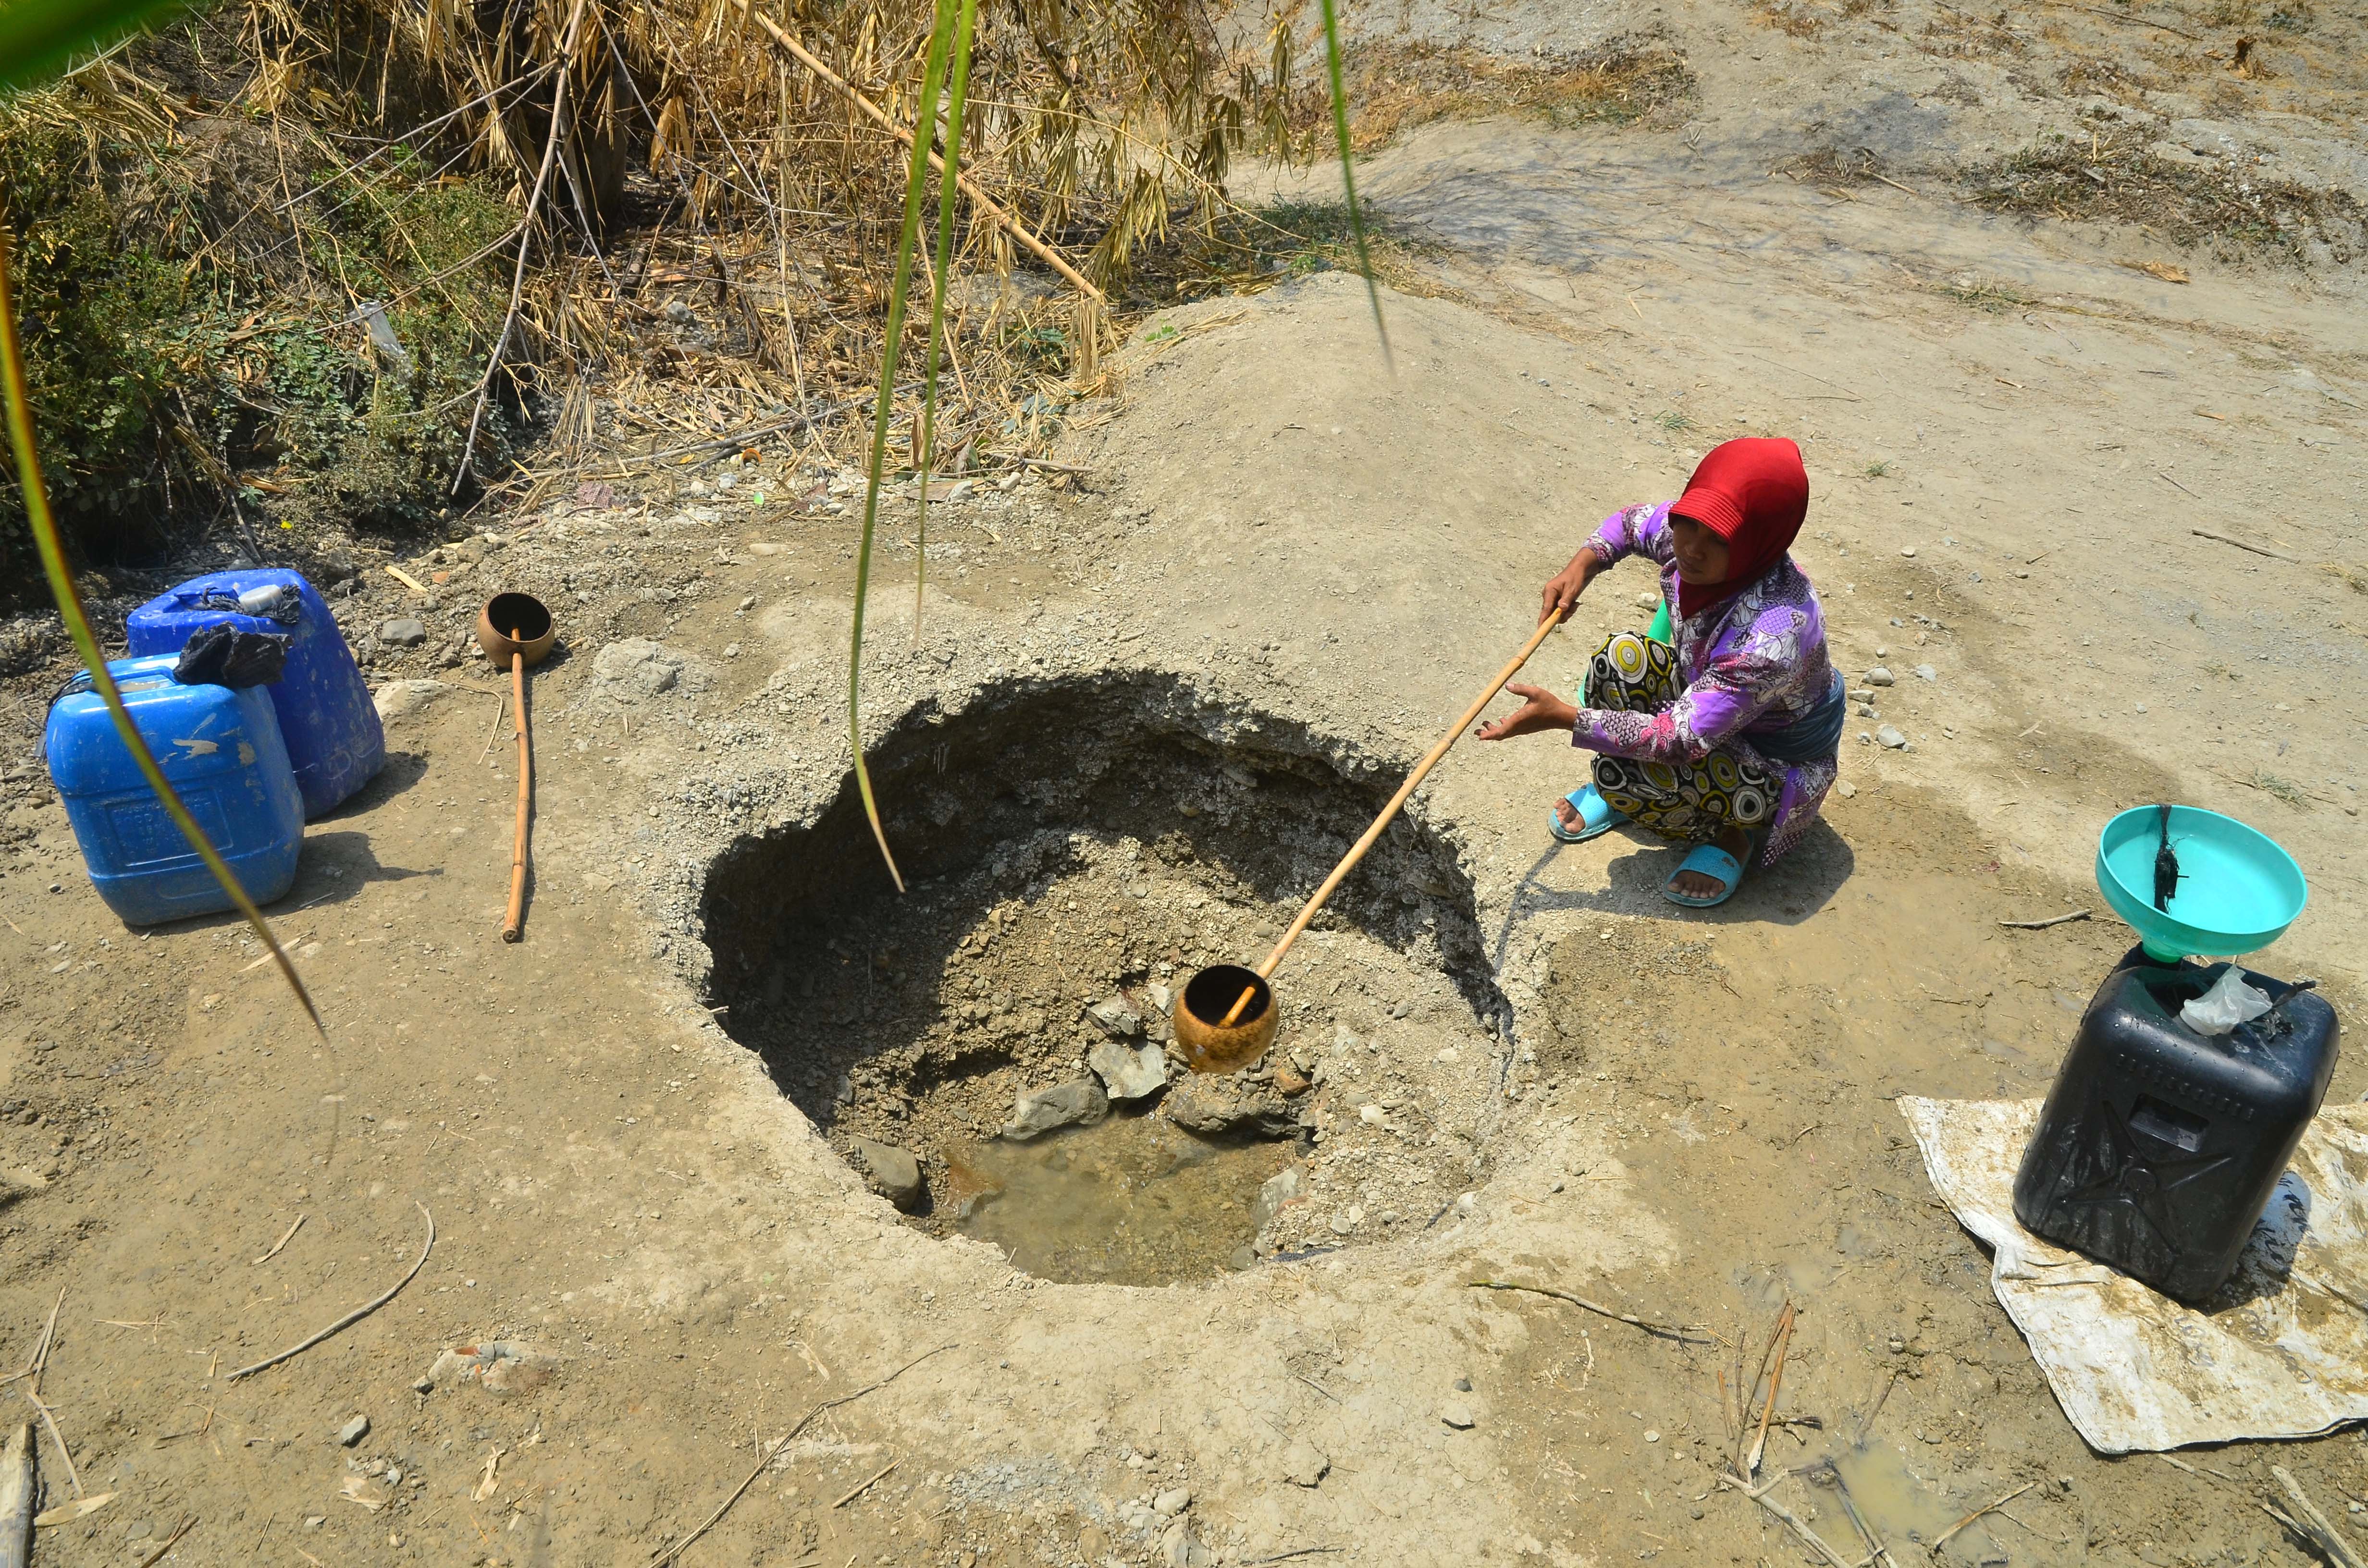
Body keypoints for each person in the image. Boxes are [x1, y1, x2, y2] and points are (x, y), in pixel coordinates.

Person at [1475, 437, 1843, 908]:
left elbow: (1676, 742)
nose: (1690, 549)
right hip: (1707, 704)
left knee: (1620, 774)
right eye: (1690, 523)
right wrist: (1581, 566)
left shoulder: (1771, 635)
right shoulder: (1697, 528)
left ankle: (1734, 833)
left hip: (1768, 760)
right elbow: (1629, 524)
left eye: (1718, 540)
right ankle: (1638, 791)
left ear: (1760, 542)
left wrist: (1564, 717)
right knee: (1620, 658)